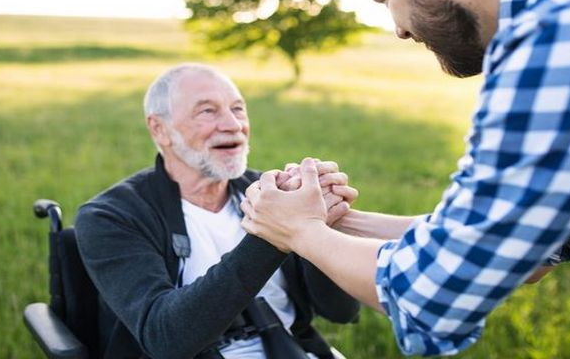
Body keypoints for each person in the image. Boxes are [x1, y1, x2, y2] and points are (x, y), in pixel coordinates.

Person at [240, 0, 570, 356]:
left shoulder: (560, 35)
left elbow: (433, 295)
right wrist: (338, 222)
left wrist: (299, 231)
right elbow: (524, 248)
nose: (399, 30)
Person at [74, 63, 360, 359]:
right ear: (160, 129)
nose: (233, 125)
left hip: (293, 350)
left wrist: (323, 227)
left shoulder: (274, 194)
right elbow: (165, 340)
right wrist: (274, 233)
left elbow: (340, 311)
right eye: (207, 111)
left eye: (237, 109)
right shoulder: (112, 216)